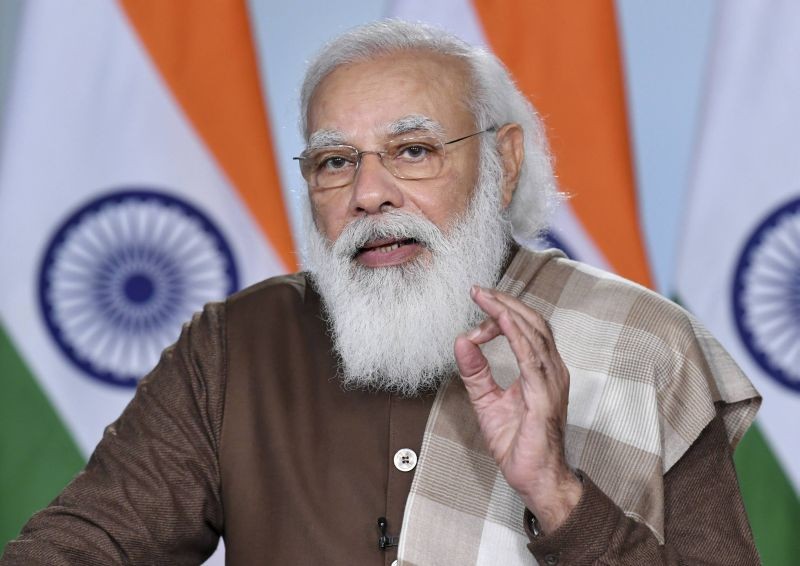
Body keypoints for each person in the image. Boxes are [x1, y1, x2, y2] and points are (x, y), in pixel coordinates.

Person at [2, 20, 760, 566]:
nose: (369, 193)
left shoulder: (642, 342)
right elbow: (86, 545)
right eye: (334, 162)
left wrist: (559, 497)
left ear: (502, 159)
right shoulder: (240, 343)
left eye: (413, 150)